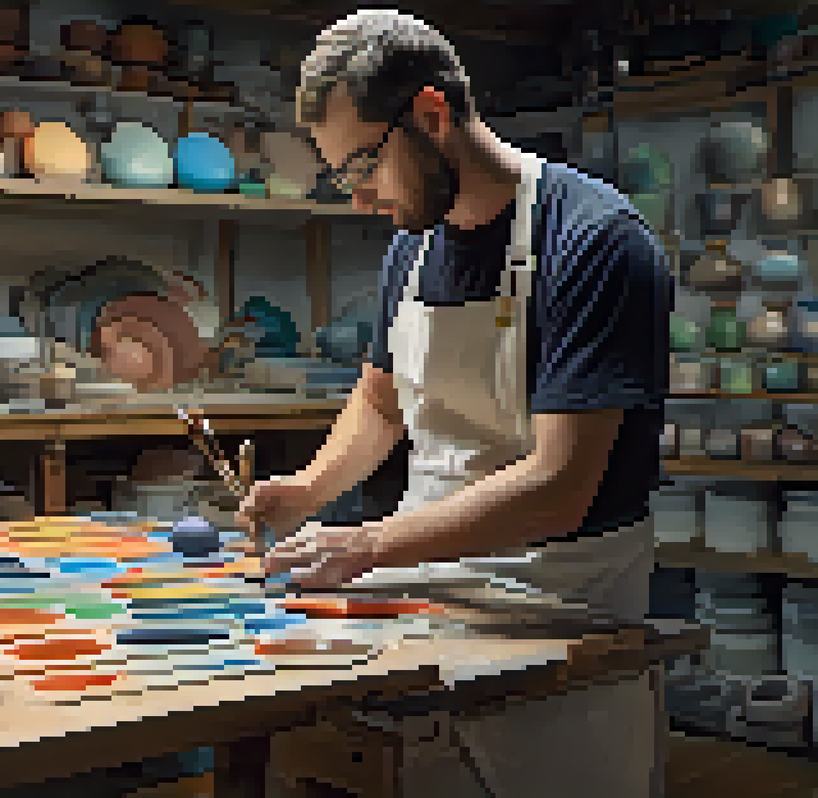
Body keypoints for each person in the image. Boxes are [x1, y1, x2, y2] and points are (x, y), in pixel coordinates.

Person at [236, 10, 672, 798]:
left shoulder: (596, 242)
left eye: (362, 163)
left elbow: (560, 486)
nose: (359, 196)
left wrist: (366, 544)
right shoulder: (415, 239)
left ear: (432, 114)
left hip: (557, 607)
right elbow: (382, 402)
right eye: (341, 175)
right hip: (421, 589)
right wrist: (308, 490)